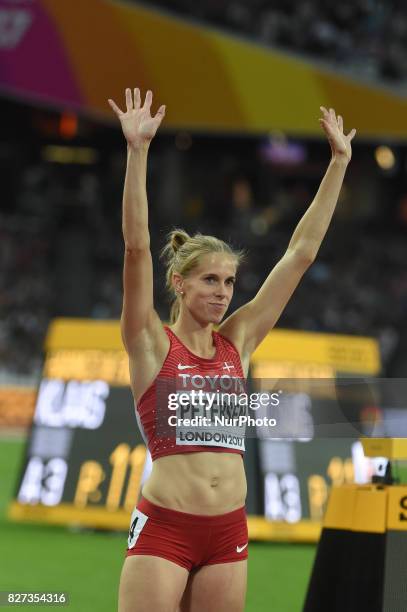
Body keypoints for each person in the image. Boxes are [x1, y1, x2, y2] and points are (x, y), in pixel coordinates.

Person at [108, 87, 356, 612]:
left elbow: (300, 255)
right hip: (165, 531)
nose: (223, 292)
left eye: (229, 282)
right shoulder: (151, 343)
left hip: (227, 535)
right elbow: (135, 247)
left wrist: (337, 163)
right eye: (210, 281)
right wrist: (137, 152)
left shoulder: (238, 342)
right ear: (178, 283)